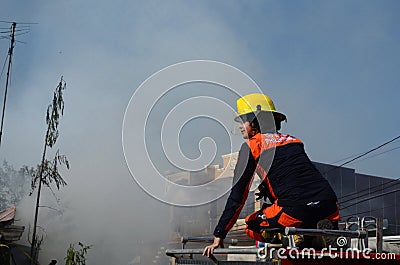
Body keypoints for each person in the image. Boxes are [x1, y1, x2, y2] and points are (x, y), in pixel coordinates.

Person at [203, 93, 339, 257]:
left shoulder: (253, 146)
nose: (240, 126)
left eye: (243, 121)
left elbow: (238, 196)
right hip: (328, 205)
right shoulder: (294, 141)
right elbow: (297, 177)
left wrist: (219, 234)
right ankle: (315, 237)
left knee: (251, 225)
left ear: (254, 122)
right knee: (297, 212)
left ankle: (290, 236)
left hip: (294, 210)